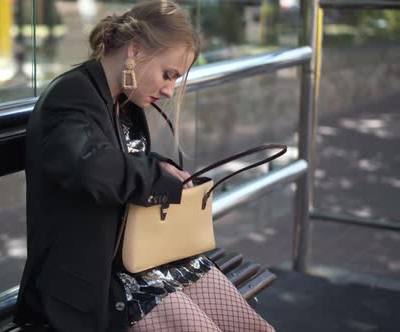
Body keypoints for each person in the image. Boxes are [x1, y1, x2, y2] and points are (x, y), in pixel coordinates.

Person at [14, 1, 275, 331]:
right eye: (168, 75)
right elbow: (92, 168)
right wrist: (159, 179)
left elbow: (124, 161)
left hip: (139, 260)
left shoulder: (122, 101)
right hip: (94, 282)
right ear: (134, 51)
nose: (168, 90)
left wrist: (162, 168)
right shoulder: (70, 96)